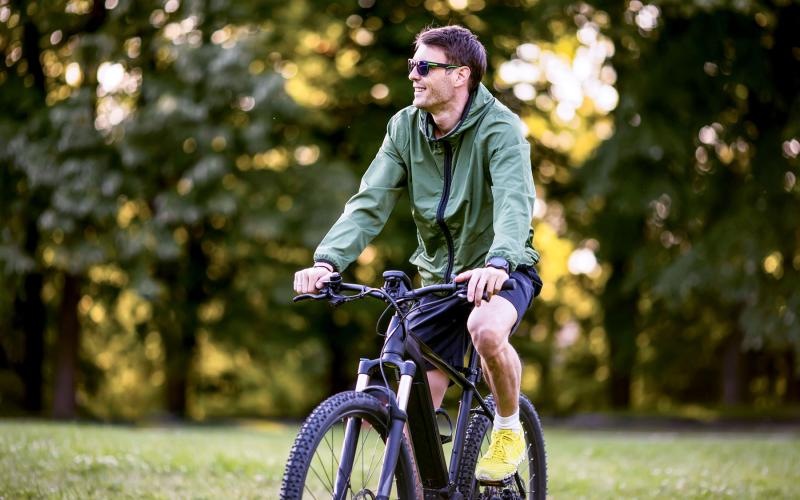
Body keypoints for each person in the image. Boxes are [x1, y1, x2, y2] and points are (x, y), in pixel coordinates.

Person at [293, 25, 542, 483]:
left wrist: (498, 262)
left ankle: (507, 427)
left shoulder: (500, 128)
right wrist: (327, 260)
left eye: (425, 67)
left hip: (502, 269)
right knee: (400, 410)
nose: (413, 75)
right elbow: (370, 202)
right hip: (437, 281)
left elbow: (514, 201)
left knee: (485, 329)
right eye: (412, 65)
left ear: (461, 74)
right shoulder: (404, 128)